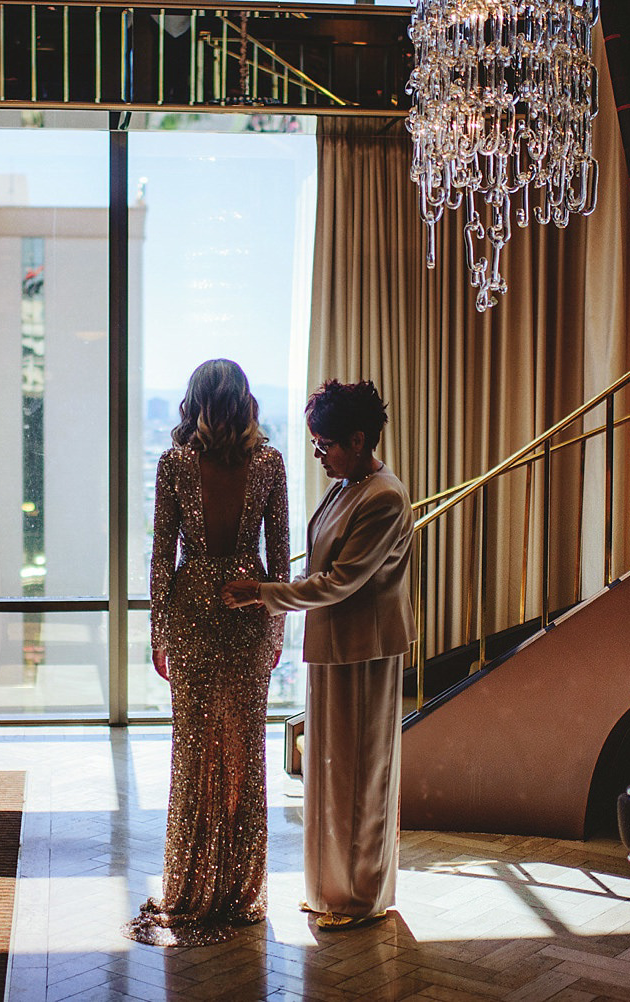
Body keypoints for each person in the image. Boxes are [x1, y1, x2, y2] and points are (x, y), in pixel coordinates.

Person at [223, 378, 415, 929]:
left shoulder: (384, 496)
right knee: (331, 774)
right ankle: (333, 889)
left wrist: (262, 595)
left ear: (357, 440)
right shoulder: (348, 484)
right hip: (334, 647)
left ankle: (359, 897)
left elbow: (339, 582)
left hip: (365, 652)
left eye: (324, 444)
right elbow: (322, 570)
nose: (317, 454)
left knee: (361, 775)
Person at [125, 358, 290, 947]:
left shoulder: (174, 463)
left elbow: (160, 559)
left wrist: (158, 632)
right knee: (244, 755)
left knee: (193, 756)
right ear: (244, 400)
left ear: (194, 402)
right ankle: (242, 891)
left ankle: (192, 887)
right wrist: (274, 634)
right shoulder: (270, 462)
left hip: (192, 612)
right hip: (248, 612)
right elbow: (280, 558)